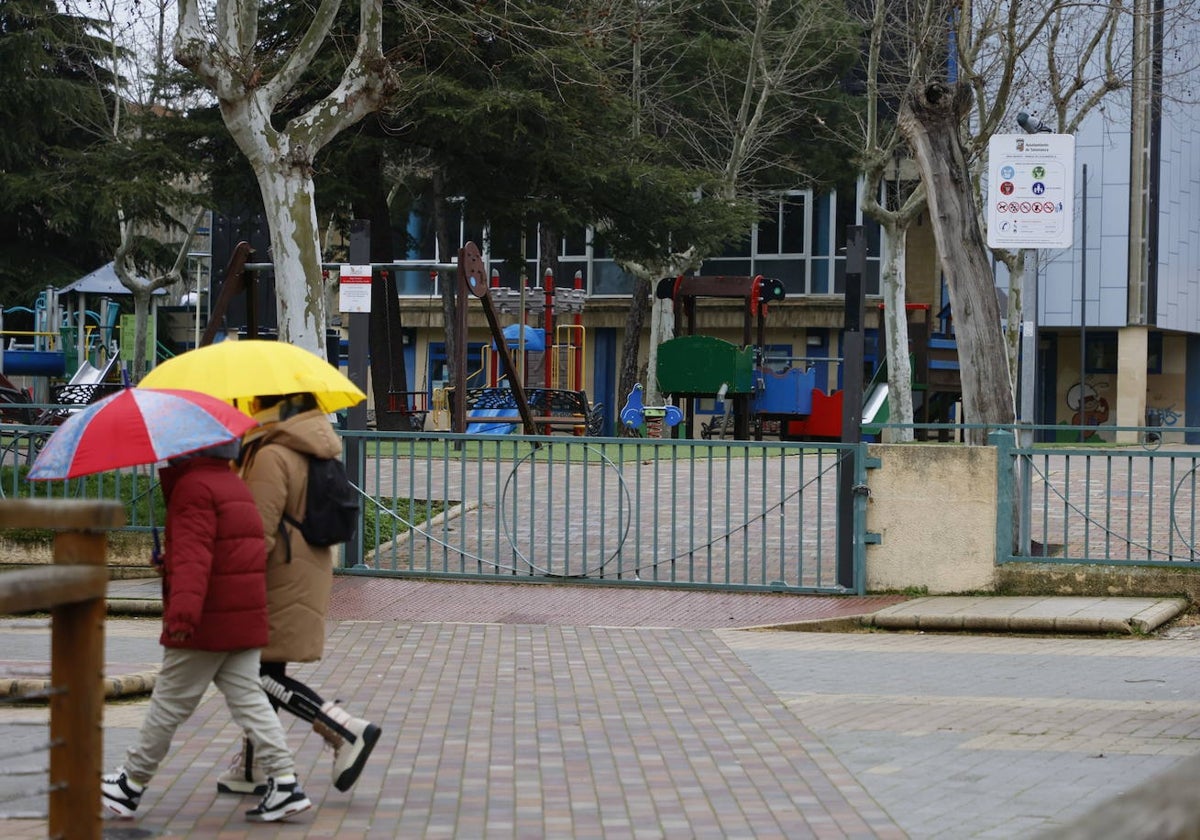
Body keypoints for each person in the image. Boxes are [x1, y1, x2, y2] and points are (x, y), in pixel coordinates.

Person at [100, 441, 312, 823]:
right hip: (241, 616)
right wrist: (171, 561)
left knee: (169, 703)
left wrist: (181, 615)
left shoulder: (194, 489)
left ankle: (130, 783)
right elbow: (221, 554)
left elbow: (197, 558)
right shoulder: (231, 484)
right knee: (250, 700)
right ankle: (285, 783)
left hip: (206, 620)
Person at [216, 391, 381, 797]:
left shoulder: (273, 453)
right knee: (265, 671)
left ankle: (345, 730)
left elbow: (257, 530)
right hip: (301, 571)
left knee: (258, 674)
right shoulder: (305, 445)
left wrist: (229, 577)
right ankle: (255, 767)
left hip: (277, 576)